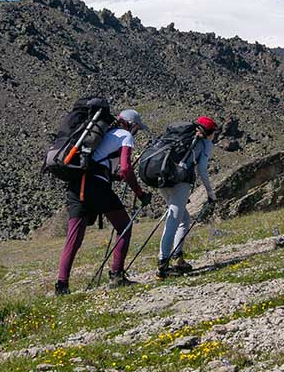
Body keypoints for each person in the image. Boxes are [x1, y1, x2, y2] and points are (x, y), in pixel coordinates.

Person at [55, 109, 152, 294]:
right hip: (96, 187)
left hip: (77, 184)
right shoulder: (125, 136)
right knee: (124, 226)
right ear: (130, 124)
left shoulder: (102, 135)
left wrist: (113, 176)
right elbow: (125, 168)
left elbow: (101, 163)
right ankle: (117, 275)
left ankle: (62, 285)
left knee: (74, 237)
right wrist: (139, 193)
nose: (136, 132)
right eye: (137, 128)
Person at [156, 116, 218, 279]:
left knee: (183, 219)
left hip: (163, 180)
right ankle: (162, 265)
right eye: (214, 133)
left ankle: (178, 258)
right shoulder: (204, 143)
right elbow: (202, 170)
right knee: (173, 221)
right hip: (181, 182)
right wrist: (210, 192)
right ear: (209, 132)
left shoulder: (178, 137)